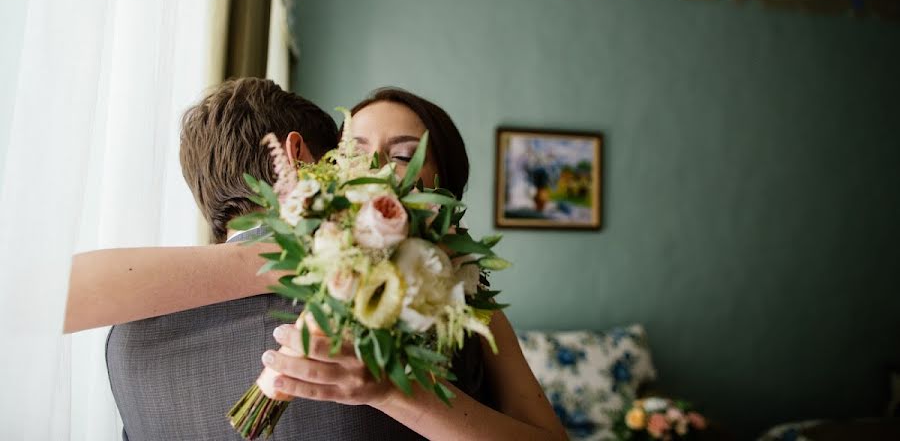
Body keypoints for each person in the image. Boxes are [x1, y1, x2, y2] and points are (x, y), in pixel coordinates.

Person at [68, 82, 565, 439]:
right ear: (309, 162)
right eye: (351, 149)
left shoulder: (124, 336)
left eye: (401, 155)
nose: (371, 171)